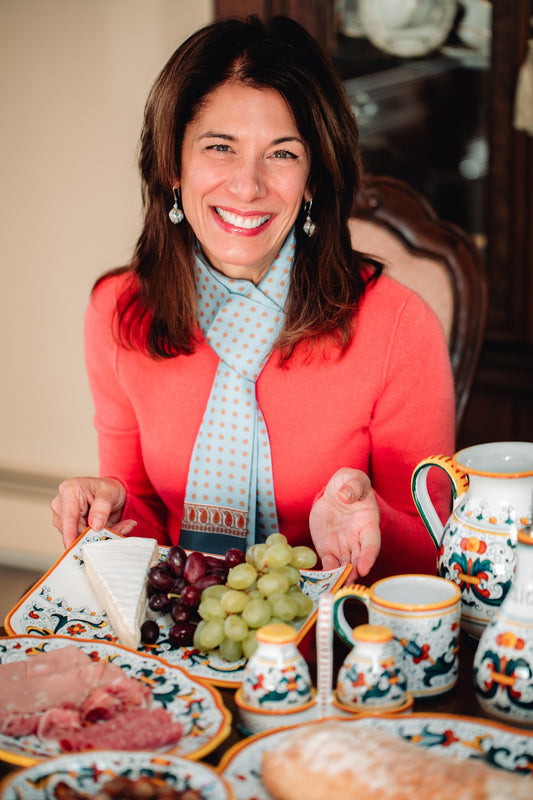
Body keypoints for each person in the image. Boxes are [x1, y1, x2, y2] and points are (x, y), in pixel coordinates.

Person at [51, 15, 455, 584]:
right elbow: (147, 521)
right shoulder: (118, 311)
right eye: (220, 147)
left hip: (332, 628)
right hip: (180, 625)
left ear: (313, 178)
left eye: (282, 154)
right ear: (172, 165)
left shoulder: (398, 326)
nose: (247, 186)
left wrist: (375, 524)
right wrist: (112, 510)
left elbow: (438, 552)